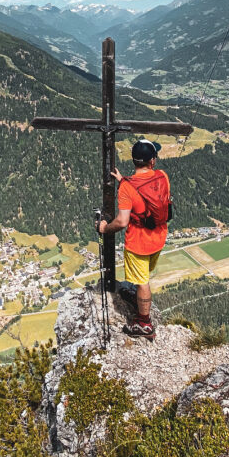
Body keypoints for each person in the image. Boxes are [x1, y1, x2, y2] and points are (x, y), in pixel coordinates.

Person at [98, 139, 171, 339]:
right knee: (143, 276)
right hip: (158, 236)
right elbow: (146, 191)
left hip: (139, 243)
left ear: (133, 161)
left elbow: (122, 221)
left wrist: (105, 228)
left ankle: (144, 323)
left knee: (142, 281)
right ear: (153, 161)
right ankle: (138, 298)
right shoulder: (162, 176)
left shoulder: (127, 188)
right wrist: (124, 181)